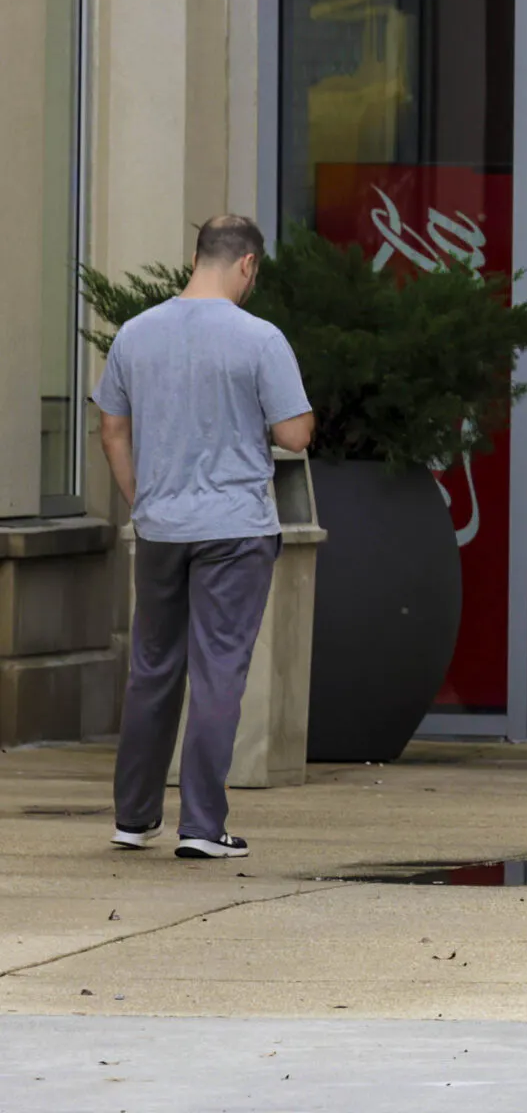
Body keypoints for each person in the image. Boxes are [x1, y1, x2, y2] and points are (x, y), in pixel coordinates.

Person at [95, 216, 315, 858]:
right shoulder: (260, 338)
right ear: (247, 264)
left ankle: (134, 818)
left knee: (153, 668)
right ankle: (201, 826)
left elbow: (112, 430)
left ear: (196, 258)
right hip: (235, 529)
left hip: (161, 528)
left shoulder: (136, 333)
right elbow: (295, 434)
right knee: (218, 671)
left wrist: (144, 500)